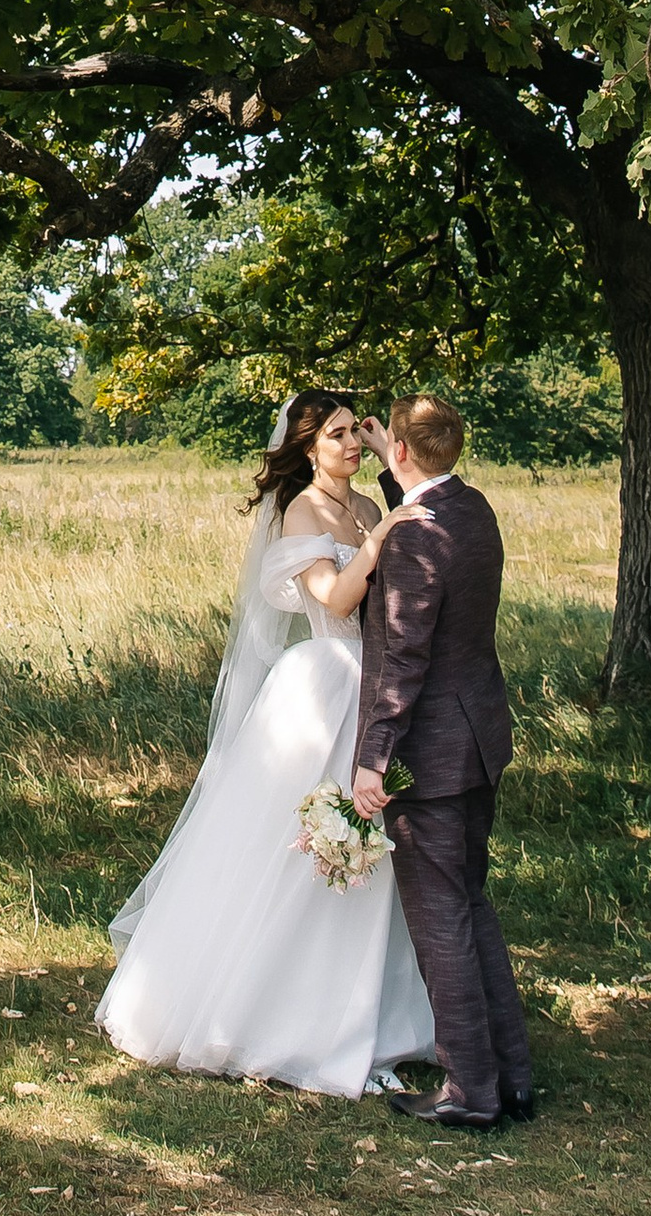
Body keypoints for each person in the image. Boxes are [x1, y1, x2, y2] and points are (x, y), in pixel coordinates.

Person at [98, 390, 435, 1094]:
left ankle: (360, 1015)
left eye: (355, 433)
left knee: (366, 847)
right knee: (298, 845)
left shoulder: (368, 505)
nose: (348, 442)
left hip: (369, 688)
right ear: (308, 446)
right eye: (337, 434)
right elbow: (337, 599)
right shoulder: (302, 510)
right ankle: (264, 1014)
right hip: (321, 682)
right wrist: (375, 543)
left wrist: (384, 464)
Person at [352, 390, 533, 1131]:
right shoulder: (473, 508)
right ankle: (512, 1077)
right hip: (479, 738)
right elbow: (424, 505)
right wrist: (392, 463)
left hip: (429, 756)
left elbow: (403, 657)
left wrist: (372, 760)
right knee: (472, 905)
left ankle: (471, 1089)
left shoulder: (413, 537)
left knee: (441, 921)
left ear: (399, 448)